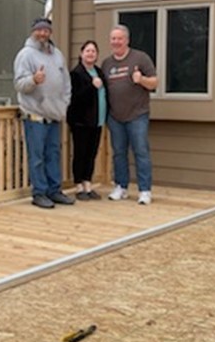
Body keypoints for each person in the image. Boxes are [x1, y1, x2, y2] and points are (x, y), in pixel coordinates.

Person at [13, 17, 75, 208]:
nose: (43, 33)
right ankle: (39, 193)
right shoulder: (25, 55)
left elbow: (66, 83)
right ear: (33, 31)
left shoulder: (57, 55)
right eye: (39, 30)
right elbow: (19, 84)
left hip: (54, 116)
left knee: (54, 155)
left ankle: (54, 191)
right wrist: (34, 79)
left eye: (46, 30)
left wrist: (64, 105)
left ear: (50, 32)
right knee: (37, 157)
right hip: (35, 116)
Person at [101, 24, 158, 205]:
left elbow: (154, 83)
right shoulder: (107, 64)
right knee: (119, 153)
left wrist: (141, 79)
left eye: (119, 38)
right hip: (115, 116)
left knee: (141, 151)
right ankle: (121, 187)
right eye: (113, 39)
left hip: (137, 115)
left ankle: (144, 190)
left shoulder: (140, 58)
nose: (116, 42)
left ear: (127, 40)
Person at [67, 40, 107, 200]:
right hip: (81, 121)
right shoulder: (76, 73)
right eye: (87, 51)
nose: (91, 54)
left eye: (93, 51)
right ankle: (78, 186)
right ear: (81, 54)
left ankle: (88, 184)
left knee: (92, 153)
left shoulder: (99, 72)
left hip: (97, 121)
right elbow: (75, 98)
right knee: (80, 153)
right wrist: (92, 86)